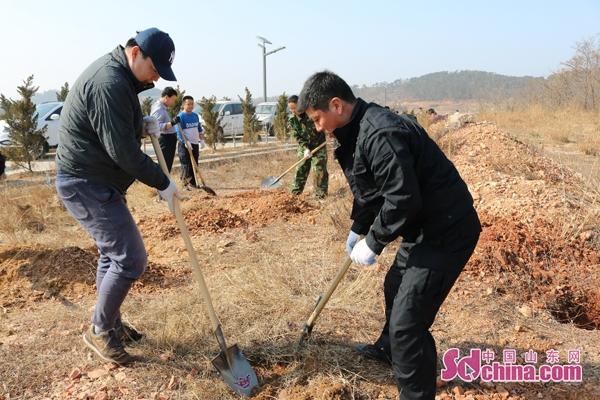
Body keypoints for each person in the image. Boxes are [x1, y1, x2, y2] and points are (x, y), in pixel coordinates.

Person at [298, 71, 481, 400]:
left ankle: (414, 391)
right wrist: (358, 227)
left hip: (446, 230)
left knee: (408, 324)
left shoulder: (380, 132)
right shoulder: (357, 130)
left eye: (316, 119)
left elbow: (402, 199)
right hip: (424, 226)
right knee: (394, 285)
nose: (317, 127)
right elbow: (372, 192)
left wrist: (374, 241)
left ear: (336, 105)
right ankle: (389, 349)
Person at [55, 28, 179, 365]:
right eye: (155, 69)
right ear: (136, 53)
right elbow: (122, 151)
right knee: (130, 258)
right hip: (85, 182)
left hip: (99, 180)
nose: (156, 78)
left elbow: (113, 125)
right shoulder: (109, 82)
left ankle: (111, 324)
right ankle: (99, 330)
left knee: (112, 256)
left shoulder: (122, 78)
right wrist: (161, 181)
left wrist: (141, 124)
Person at [287, 95, 328, 199]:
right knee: (301, 168)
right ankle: (295, 194)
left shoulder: (312, 113)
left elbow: (323, 126)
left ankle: (320, 196)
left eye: (294, 108)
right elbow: (296, 136)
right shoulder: (292, 119)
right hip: (304, 146)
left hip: (319, 145)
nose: (293, 111)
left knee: (319, 169)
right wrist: (305, 148)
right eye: (291, 109)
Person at [175, 95, 204, 189]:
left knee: (195, 163)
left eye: (192, 104)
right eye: (188, 104)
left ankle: (193, 183)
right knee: (186, 164)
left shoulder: (195, 116)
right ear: (184, 104)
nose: (191, 106)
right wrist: (186, 142)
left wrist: (202, 140)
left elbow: (199, 128)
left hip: (195, 144)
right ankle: (185, 184)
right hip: (184, 145)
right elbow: (179, 132)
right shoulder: (180, 116)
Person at [151, 86, 179, 172]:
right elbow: (156, 126)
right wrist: (172, 123)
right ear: (166, 97)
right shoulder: (158, 108)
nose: (173, 102)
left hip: (169, 139)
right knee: (164, 166)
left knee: (167, 165)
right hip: (165, 140)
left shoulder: (163, 107)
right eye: (173, 100)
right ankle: (164, 183)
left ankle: (166, 182)